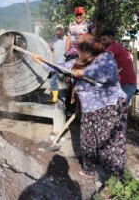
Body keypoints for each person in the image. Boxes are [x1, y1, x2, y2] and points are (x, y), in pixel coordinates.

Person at [33, 34, 128, 186]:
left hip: (109, 106)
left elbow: (107, 75)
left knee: (109, 145)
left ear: (89, 48)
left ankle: (115, 182)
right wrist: (40, 61)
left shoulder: (105, 58)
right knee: (87, 139)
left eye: (79, 47)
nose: (77, 50)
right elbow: (60, 67)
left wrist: (84, 73)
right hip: (89, 108)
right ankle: (89, 170)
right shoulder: (78, 62)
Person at [101, 30, 137, 105]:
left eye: (104, 39)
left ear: (111, 39)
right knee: (116, 112)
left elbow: (101, 59)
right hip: (123, 84)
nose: (102, 42)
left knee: (119, 112)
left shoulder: (114, 47)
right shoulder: (115, 47)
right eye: (101, 39)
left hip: (125, 85)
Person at [49, 24, 67, 103]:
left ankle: (64, 100)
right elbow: (53, 50)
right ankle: (55, 98)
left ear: (63, 31)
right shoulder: (55, 39)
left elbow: (68, 51)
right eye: (57, 30)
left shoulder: (66, 39)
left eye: (60, 30)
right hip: (55, 64)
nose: (58, 31)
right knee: (53, 81)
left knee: (62, 82)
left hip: (63, 64)